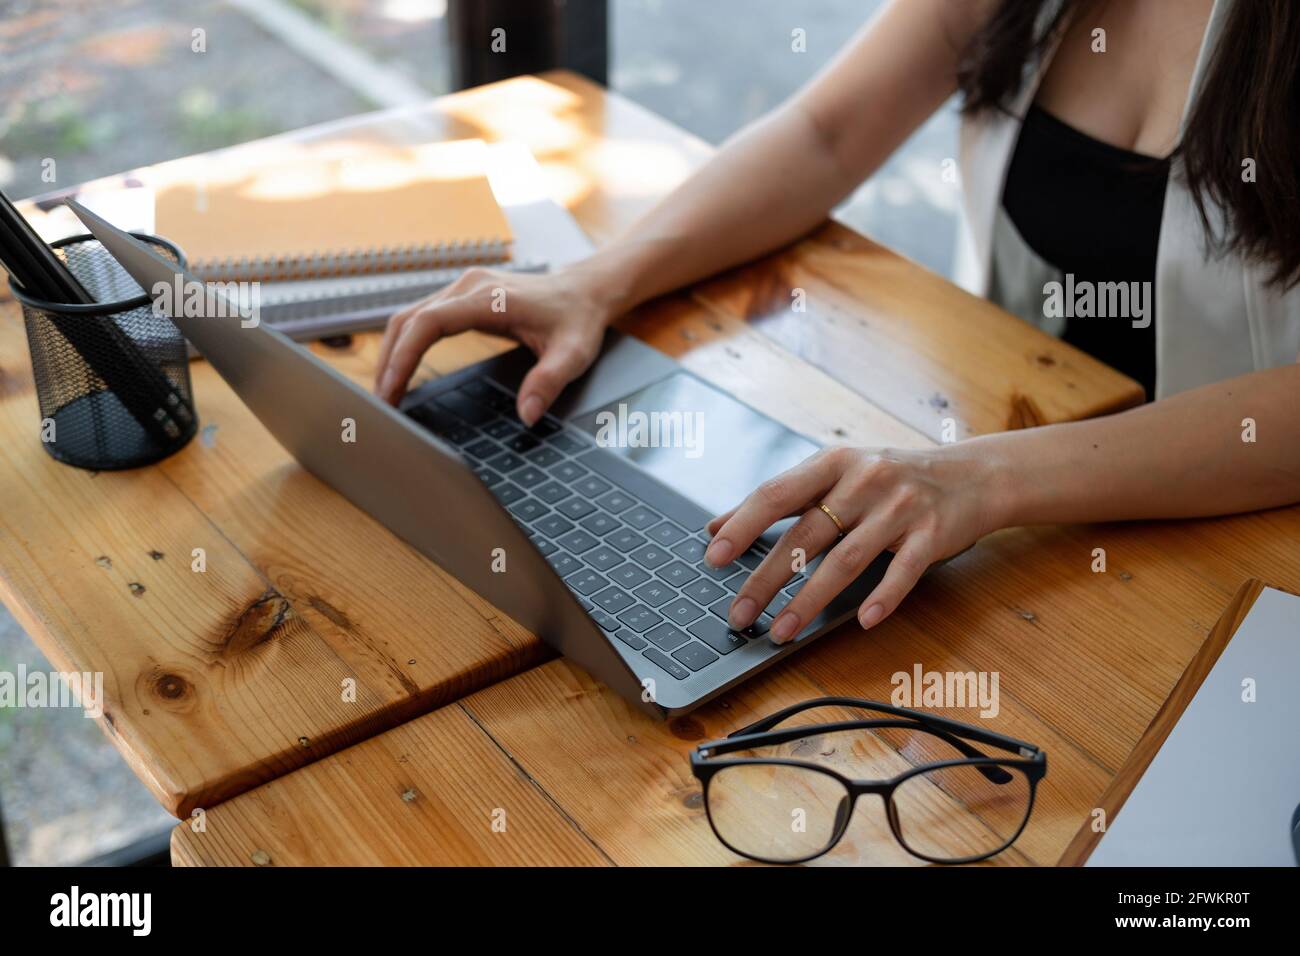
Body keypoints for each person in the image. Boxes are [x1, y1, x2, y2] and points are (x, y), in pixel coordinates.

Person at [374, 0, 1300, 644]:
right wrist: (598, 280)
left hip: (1234, 531)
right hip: (1019, 490)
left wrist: (985, 480)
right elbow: (829, 131)